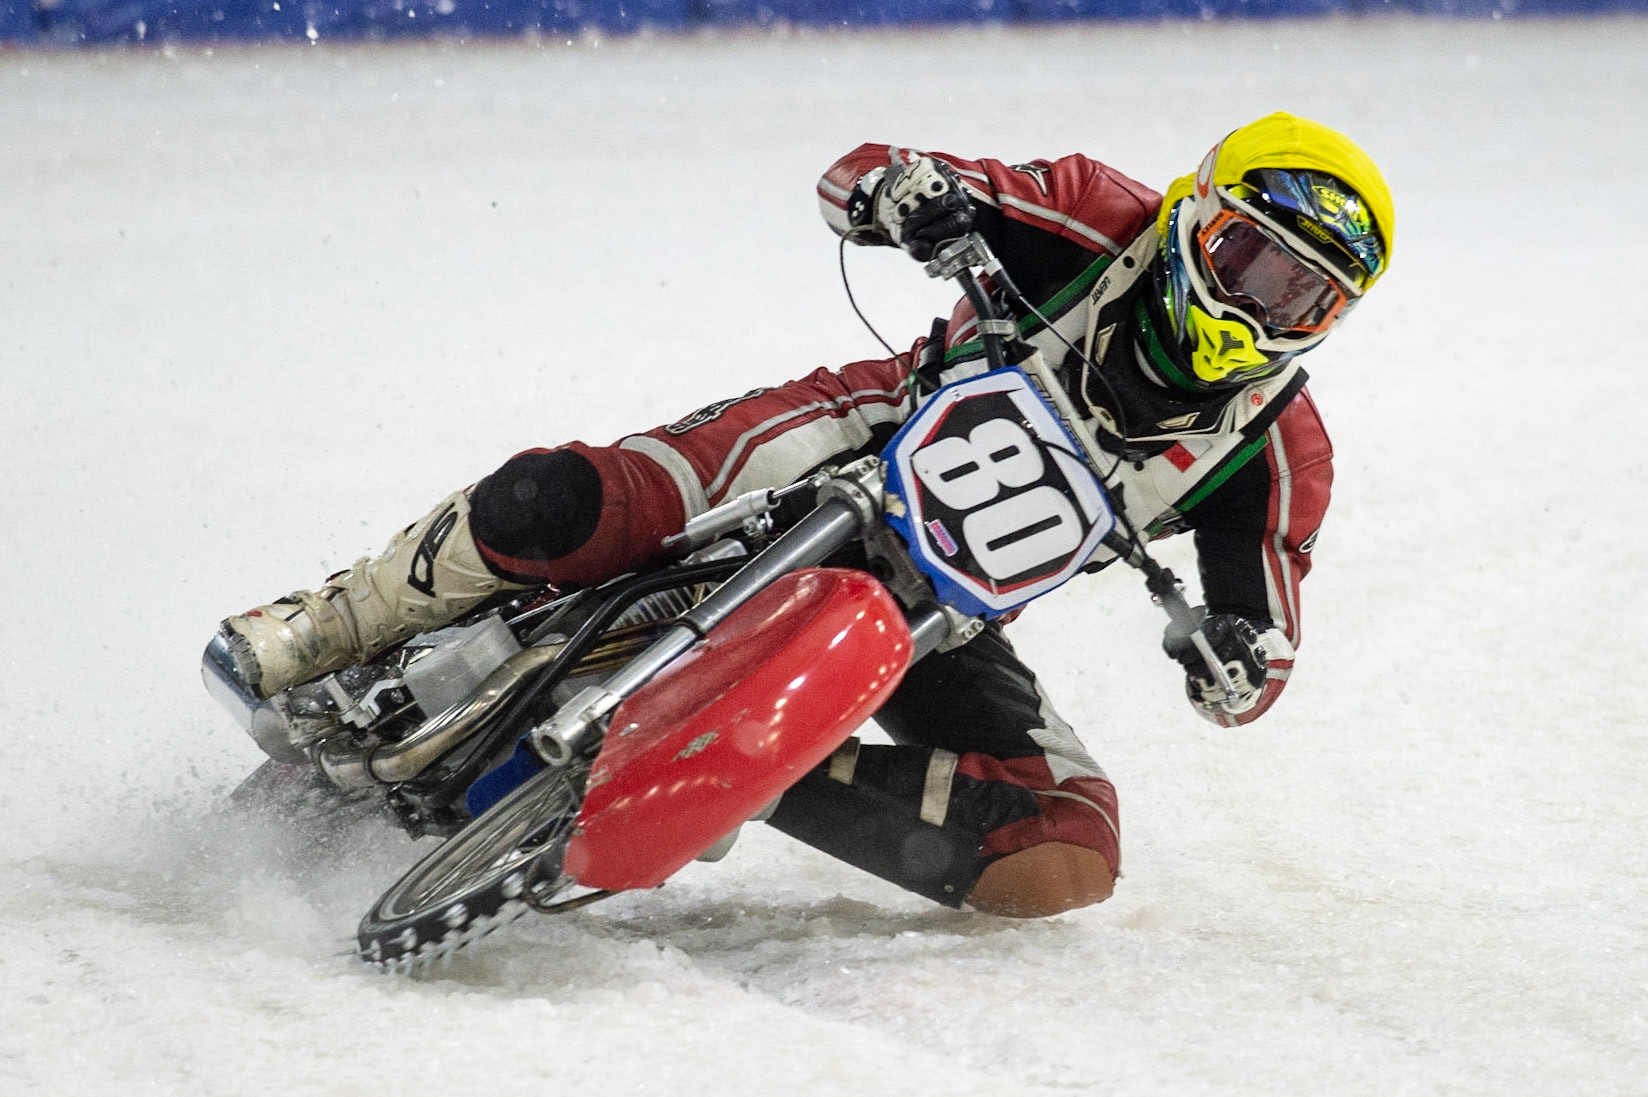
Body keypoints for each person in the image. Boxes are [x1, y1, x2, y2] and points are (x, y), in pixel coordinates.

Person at [217, 112, 1393, 918]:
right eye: (1250, 260)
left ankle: (741, 765)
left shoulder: (1280, 452)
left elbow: (1266, 636)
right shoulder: (1094, 217)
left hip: (939, 613)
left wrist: (1236, 659)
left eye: (1304, 296)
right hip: (854, 437)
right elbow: (862, 173)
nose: (1260, 309)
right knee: (575, 501)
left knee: (1064, 851)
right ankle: (335, 619)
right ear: (1195, 213)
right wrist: (907, 196)